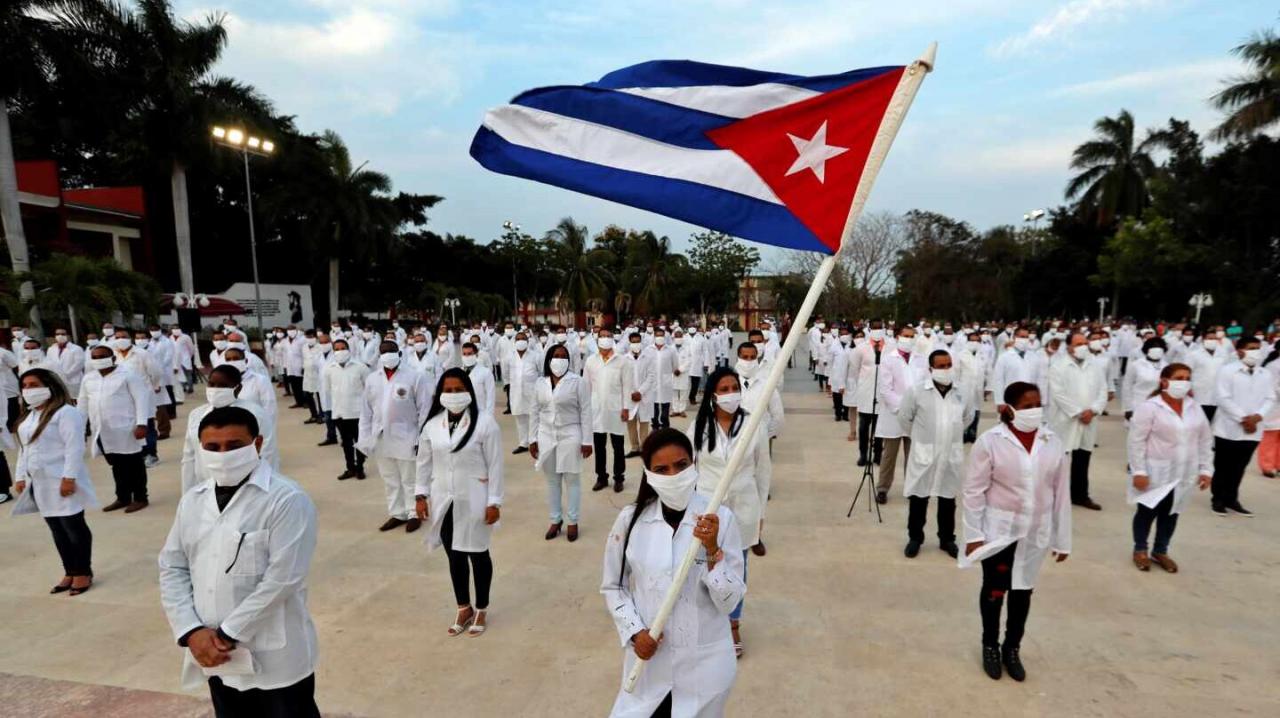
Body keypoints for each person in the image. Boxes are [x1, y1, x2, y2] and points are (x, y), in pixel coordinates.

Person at [159, 407, 320, 717]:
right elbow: (172, 566)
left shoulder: (286, 499)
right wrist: (191, 631)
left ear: (257, 444)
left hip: (274, 656)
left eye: (234, 446)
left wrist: (226, 634)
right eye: (213, 447)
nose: (223, 454)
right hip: (213, 653)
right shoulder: (193, 500)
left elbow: (283, 579)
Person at [601, 428, 745, 717]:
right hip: (649, 663)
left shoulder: (721, 520)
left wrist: (712, 551)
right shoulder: (631, 520)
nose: (674, 475)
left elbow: (730, 602)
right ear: (649, 475)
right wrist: (634, 631)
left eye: (681, 465)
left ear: (694, 464)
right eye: (662, 469)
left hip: (703, 667)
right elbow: (613, 586)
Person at [960, 382, 1071, 682]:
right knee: (996, 589)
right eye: (1026, 406)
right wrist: (973, 535)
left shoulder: (1052, 441)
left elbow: (1061, 493)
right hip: (999, 531)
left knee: (1023, 591)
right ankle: (990, 645)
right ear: (1009, 409)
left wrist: (1062, 540)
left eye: (1037, 404)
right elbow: (973, 491)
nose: (1034, 411)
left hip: (1036, 531)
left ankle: (1012, 648)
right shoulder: (991, 441)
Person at [415, 369, 504, 637]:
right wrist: (420, 495)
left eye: (458, 390)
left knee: (478, 554)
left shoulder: (485, 423)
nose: (453, 395)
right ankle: (463, 606)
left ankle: (482, 607)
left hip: (475, 498)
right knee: (454, 555)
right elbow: (423, 462)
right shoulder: (432, 425)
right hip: (444, 497)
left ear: (468, 392)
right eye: (448, 390)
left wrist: (495, 501)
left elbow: (496, 465)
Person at [688, 367, 770, 658]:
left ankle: (733, 624)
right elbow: (690, 469)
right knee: (704, 563)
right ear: (712, 395)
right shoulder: (699, 426)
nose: (730, 393)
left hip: (745, 506)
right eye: (723, 389)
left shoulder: (753, 424)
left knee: (737, 567)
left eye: (734, 387)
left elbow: (763, 470)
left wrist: (761, 513)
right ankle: (709, 620)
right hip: (709, 506)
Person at [10, 369, 97, 595]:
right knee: (57, 529)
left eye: (34, 384)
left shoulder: (65, 412)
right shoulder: (29, 416)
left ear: (49, 386)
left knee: (73, 526)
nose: (29, 390)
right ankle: (69, 570)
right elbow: (24, 448)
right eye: (25, 386)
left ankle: (83, 572)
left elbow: (74, 447)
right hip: (40, 483)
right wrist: (20, 476)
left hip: (62, 480)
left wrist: (69, 478)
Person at [1127, 363, 1213, 572]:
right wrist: (1139, 471)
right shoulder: (1150, 407)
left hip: (1184, 471)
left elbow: (1204, 440)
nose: (1184, 382)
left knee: (1172, 512)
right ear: (1164, 381)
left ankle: (1161, 550)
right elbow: (1136, 441)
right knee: (1148, 511)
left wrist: (1206, 469)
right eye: (1179, 377)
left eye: (1187, 378)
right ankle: (1140, 549)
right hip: (1155, 470)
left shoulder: (1194, 407)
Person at [900, 350, 970, 559]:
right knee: (919, 498)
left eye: (948, 364)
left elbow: (967, 417)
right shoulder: (917, 391)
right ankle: (915, 538)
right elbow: (905, 419)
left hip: (951, 453)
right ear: (930, 369)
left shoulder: (961, 391)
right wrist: (924, 437)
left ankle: (947, 539)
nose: (946, 369)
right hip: (925, 454)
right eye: (940, 366)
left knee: (948, 498)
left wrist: (949, 435)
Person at [358, 341, 432, 533]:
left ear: (399, 353)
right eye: (383, 352)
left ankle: (413, 513)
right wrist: (364, 438)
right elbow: (366, 412)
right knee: (389, 478)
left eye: (391, 351)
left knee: (410, 478)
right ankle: (397, 513)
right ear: (379, 355)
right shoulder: (373, 379)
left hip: (407, 435)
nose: (387, 355)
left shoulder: (415, 376)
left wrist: (421, 438)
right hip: (381, 437)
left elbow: (425, 410)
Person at [77, 344, 152, 512]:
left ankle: (140, 497)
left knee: (134, 465)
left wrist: (142, 424)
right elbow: (82, 404)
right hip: (103, 431)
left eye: (102, 356)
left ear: (112, 358)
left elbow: (141, 399)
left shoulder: (128, 375)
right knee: (116, 465)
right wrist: (78, 427)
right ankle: (123, 497)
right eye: (94, 357)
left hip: (127, 429)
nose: (98, 360)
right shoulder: (89, 379)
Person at [530, 343, 593, 542]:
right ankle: (555, 520)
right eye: (556, 355)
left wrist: (587, 440)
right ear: (549, 360)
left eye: (563, 356)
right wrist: (532, 439)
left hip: (570, 434)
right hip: (546, 435)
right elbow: (534, 411)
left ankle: (572, 521)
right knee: (552, 481)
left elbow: (586, 411)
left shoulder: (578, 381)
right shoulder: (540, 382)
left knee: (572, 480)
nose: (559, 359)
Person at [180, 364, 273, 493]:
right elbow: (189, 457)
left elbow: (267, 454)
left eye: (223, 385)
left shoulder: (256, 414)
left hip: (245, 487)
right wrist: (188, 492)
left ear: (238, 388)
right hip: (207, 486)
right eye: (211, 384)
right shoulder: (196, 415)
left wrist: (264, 489)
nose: (215, 389)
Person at [1210, 335, 1275, 516]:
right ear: (1240, 351)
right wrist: (1243, 419)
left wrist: (1257, 417)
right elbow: (1222, 398)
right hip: (1228, 427)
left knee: (1240, 466)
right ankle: (1218, 499)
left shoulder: (1265, 373)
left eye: (1257, 348)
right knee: (1223, 465)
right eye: (1251, 348)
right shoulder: (1227, 371)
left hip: (1253, 428)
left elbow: (1270, 397)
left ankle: (1232, 499)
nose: (1255, 351)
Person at [1049, 333, 1109, 510]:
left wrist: (1094, 410)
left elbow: (1102, 390)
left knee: (1083, 458)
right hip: (1066, 419)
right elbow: (1058, 393)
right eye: (1078, 343)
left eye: (1085, 343)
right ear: (1069, 346)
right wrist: (1077, 412)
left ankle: (1080, 495)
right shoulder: (1058, 365)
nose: (1083, 346)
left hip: (1089, 420)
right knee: (1061, 459)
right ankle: (1055, 495)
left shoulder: (1094, 365)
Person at [875, 325, 928, 504]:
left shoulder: (921, 360)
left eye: (912, 336)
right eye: (905, 336)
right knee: (889, 455)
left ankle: (912, 488)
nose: (909, 339)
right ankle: (882, 488)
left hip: (916, 415)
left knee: (913, 455)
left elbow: (925, 385)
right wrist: (902, 408)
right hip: (894, 415)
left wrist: (915, 408)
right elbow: (885, 389)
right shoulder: (889, 360)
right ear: (898, 337)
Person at [321, 339, 370, 480]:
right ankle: (350, 468)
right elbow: (328, 390)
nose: (340, 351)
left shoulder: (360, 367)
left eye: (343, 348)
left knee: (360, 442)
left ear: (349, 349)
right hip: (340, 413)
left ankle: (360, 467)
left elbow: (369, 389)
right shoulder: (329, 369)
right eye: (337, 349)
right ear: (333, 351)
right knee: (346, 443)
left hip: (358, 413)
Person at [848, 321, 890, 463]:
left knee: (880, 426)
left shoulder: (891, 347)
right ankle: (863, 454)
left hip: (883, 392)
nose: (878, 330)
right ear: (870, 329)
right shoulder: (861, 348)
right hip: (866, 392)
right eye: (875, 327)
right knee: (864, 426)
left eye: (880, 327)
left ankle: (878, 454)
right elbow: (854, 369)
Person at [503, 331, 541, 455]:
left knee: (534, 417)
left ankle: (535, 442)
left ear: (527, 341)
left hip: (533, 391)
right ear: (515, 342)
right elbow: (506, 373)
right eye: (518, 339)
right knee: (520, 417)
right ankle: (523, 443)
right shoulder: (510, 356)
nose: (521, 341)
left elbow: (541, 373)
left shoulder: (535, 356)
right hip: (516, 391)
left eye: (523, 339)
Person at [623, 332, 656, 458]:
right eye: (633, 342)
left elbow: (651, 376)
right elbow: (623, 378)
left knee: (644, 423)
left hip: (644, 396)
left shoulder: (648, 358)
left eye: (637, 341)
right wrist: (632, 392)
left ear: (641, 342)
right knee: (631, 423)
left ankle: (644, 448)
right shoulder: (624, 359)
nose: (635, 344)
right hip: (630, 397)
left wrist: (640, 392)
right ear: (629, 343)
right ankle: (634, 448)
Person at [1122, 337, 1168, 420]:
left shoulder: (1166, 366)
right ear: (1147, 349)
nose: (1157, 350)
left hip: (1160, 405)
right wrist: (1128, 408)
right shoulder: (1136, 365)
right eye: (1153, 347)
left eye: (1159, 347)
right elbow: (1127, 386)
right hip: (1139, 404)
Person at [1259, 348, 1280, 478]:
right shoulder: (1273, 366)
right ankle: (1267, 466)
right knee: (1270, 437)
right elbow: (1272, 386)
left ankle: (1278, 464)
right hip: (1274, 406)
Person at [650, 328, 676, 430]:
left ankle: (665, 425)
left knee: (665, 405)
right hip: (652, 382)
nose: (659, 338)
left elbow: (675, 365)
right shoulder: (648, 350)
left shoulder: (670, 350)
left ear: (664, 337)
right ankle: (655, 425)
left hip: (666, 382)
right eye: (658, 335)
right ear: (654, 337)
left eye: (661, 336)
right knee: (654, 407)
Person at [459, 342, 496, 414]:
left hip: (480, 411)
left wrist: (489, 414)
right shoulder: (459, 372)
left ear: (476, 354)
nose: (467, 356)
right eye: (464, 354)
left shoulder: (486, 372)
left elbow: (490, 396)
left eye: (469, 354)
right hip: (463, 412)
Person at [48, 328, 85, 396]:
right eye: (58, 334)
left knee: (75, 400)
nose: (60, 336)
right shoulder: (51, 349)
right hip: (57, 380)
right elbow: (49, 363)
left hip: (73, 380)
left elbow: (79, 364)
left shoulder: (76, 349)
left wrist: (66, 375)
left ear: (67, 336)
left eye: (63, 334)